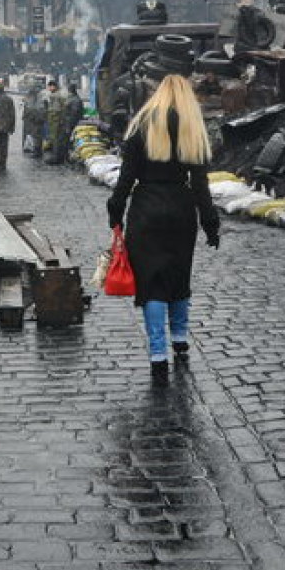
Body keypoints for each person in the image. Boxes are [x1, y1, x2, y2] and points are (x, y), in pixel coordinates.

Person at [106, 74, 220, 386]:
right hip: (181, 210)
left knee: (152, 283)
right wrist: (211, 224)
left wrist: (115, 213)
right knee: (178, 274)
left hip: (146, 211)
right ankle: (180, 339)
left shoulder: (142, 125)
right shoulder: (191, 128)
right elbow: (200, 186)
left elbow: (125, 180)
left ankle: (158, 354)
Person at [43, 78, 67, 164]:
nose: (48, 89)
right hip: (56, 121)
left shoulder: (55, 96)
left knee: (55, 139)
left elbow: (56, 110)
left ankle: (56, 158)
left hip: (55, 121)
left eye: (49, 87)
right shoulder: (58, 95)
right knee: (57, 139)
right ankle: (58, 157)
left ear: (53, 86)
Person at [21, 83, 45, 157]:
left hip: (35, 119)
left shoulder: (37, 96)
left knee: (36, 135)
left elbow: (35, 108)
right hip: (32, 118)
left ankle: (37, 151)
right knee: (34, 135)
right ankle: (34, 149)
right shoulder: (35, 96)